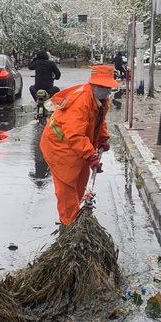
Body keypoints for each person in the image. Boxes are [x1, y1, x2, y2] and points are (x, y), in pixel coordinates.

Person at [39, 64, 120, 226]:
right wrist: (90, 154)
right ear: (93, 84)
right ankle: (69, 224)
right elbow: (74, 134)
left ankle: (76, 213)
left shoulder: (102, 100)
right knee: (67, 186)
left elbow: (99, 120)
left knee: (81, 181)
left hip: (78, 143)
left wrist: (102, 138)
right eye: (102, 86)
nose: (106, 90)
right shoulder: (81, 101)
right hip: (59, 146)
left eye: (108, 86)